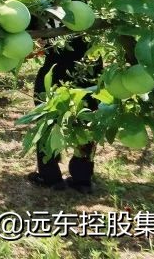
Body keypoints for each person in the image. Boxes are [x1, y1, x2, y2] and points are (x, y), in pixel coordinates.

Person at [27, 31, 102, 194]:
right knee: (86, 120)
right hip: (91, 68)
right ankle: (83, 179)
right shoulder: (90, 6)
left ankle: (50, 177)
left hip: (57, 70)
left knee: (47, 121)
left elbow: (27, 48)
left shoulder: (42, 10)